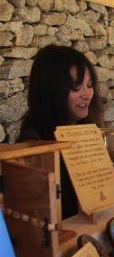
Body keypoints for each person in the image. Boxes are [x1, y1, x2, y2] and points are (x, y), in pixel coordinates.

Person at [18, 44, 103, 219]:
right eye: (76, 87)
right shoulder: (34, 146)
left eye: (89, 85)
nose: (87, 94)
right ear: (51, 91)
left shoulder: (85, 133)